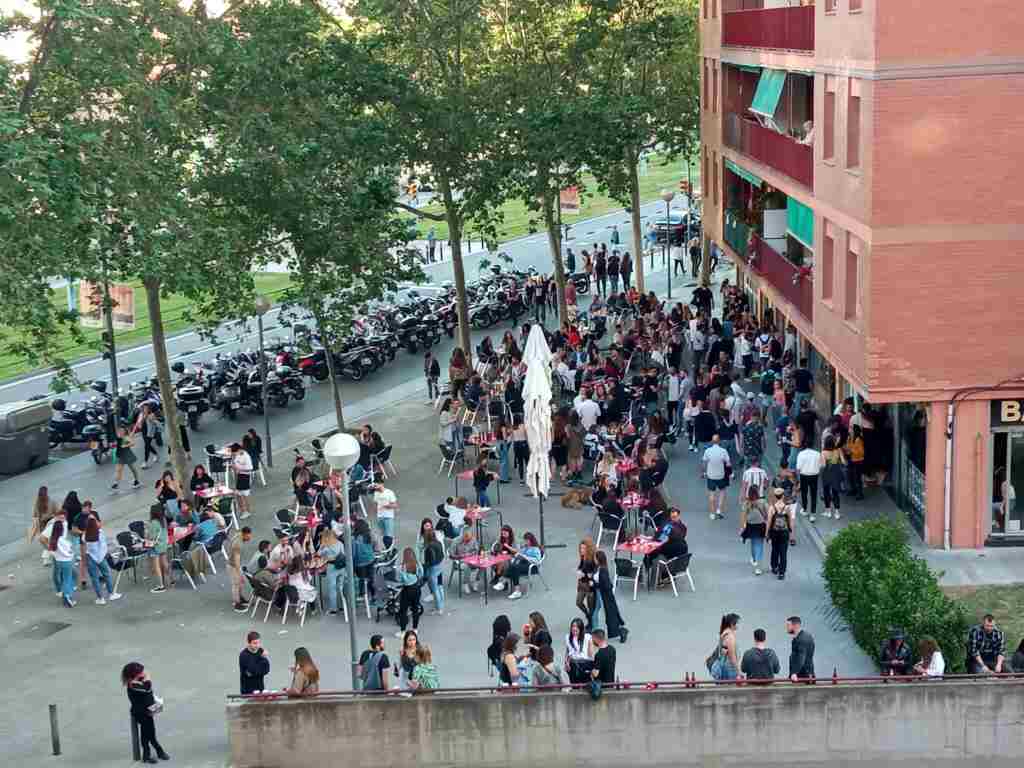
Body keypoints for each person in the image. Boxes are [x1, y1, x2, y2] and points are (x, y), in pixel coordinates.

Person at [122, 662, 168, 764]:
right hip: (141, 713)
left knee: (148, 733)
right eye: (141, 671)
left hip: (147, 710)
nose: (144, 672)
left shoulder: (137, 681)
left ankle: (149, 754)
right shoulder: (133, 685)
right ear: (135, 674)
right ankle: (157, 751)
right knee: (149, 734)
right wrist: (147, 678)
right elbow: (147, 688)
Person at [84, 517, 121, 605]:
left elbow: (85, 544)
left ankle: (100, 598)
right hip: (100, 557)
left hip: (90, 557)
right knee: (107, 574)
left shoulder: (85, 535)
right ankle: (111, 593)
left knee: (94, 579)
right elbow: (103, 547)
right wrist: (100, 558)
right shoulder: (100, 533)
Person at [593, 550, 628, 642]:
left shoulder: (603, 570)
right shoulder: (601, 568)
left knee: (610, 617)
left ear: (598, 559)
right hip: (604, 596)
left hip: (606, 597)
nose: (594, 559)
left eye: (595, 558)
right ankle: (619, 631)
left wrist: (594, 584)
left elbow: (606, 585)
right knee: (610, 616)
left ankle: (621, 632)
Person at [418, 520, 446, 614]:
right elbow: (442, 555)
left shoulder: (428, 548)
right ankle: (442, 604)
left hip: (433, 568)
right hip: (440, 565)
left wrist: (425, 567)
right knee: (439, 586)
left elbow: (429, 562)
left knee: (434, 589)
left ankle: (438, 608)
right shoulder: (438, 542)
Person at [766, 488, 795, 580]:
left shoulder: (772, 507)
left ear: (775, 496)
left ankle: (774, 567)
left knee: (775, 549)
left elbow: (769, 522)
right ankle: (782, 572)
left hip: (774, 532)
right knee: (783, 552)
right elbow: (790, 521)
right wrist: (791, 534)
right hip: (784, 532)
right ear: (783, 496)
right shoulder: (787, 508)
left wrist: (767, 533)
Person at [505, 531, 542, 601]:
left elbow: (537, 560)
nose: (525, 542)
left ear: (531, 540)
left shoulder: (535, 549)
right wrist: (517, 555)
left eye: (526, 540)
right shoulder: (525, 547)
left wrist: (525, 557)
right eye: (525, 540)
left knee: (514, 568)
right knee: (513, 566)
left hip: (532, 567)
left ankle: (510, 586)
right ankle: (508, 584)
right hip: (524, 565)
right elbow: (519, 553)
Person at [739, 487, 768, 576]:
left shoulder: (746, 503)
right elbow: (767, 515)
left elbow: (743, 516)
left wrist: (742, 528)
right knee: (759, 546)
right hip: (761, 526)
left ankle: (754, 558)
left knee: (753, 543)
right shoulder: (763, 502)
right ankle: (758, 567)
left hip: (750, 526)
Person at [396, 547, 424, 638]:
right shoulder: (417, 563)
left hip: (407, 590)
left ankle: (403, 631)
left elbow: (401, 579)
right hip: (416, 588)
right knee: (415, 609)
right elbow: (421, 574)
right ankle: (415, 629)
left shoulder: (403, 566)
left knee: (403, 611)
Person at [702, 435, 732, 520]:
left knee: (712, 494)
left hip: (710, 475)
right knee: (722, 492)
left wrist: (703, 472)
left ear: (712, 441)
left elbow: (704, 463)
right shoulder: (723, 451)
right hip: (721, 475)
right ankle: (719, 510)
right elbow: (728, 463)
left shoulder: (707, 451)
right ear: (719, 441)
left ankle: (712, 513)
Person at [50, 518, 76, 606]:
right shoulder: (62, 540)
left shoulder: (53, 539)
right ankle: (67, 596)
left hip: (58, 561)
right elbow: (70, 550)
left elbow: (52, 551)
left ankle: (65, 596)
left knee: (64, 578)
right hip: (67, 561)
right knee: (67, 580)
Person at [145, 504, 171, 594]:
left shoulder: (153, 523)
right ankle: (170, 580)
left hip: (155, 547)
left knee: (157, 567)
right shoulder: (163, 520)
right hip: (163, 544)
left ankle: (161, 586)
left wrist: (146, 532)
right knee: (165, 563)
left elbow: (151, 536)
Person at [795, 439, 822, 523]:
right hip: (814, 476)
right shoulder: (817, 454)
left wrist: (798, 479)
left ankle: (805, 509)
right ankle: (813, 515)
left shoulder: (801, 454)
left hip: (804, 476)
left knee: (804, 493)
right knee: (813, 495)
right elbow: (820, 465)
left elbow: (798, 468)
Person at [820, 435, 846, 520]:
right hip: (836, 473)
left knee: (826, 493)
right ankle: (837, 513)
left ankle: (828, 512)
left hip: (827, 474)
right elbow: (843, 462)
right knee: (835, 493)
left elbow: (823, 465)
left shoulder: (823, 452)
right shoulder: (838, 450)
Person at [227, 525, 252, 612]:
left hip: (234, 564)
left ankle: (240, 597)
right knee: (236, 584)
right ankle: (236, 603)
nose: (249, 539)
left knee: (240, 584)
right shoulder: (238, 544)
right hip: (233, 566)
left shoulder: (238, 534)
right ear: (244, 534)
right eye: (248, 537)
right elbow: (236, 560)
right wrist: (239, 573)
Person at [575, 537, 598, 629]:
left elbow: (595, 573)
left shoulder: (593, 560)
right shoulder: (583, 557)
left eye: (584, 548)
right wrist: (579, 571)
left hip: (590, 587)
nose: (582, 550)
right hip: (582, 584)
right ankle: (588, 616)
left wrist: (589, 575)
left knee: (591, 606)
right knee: (578, 602)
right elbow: (581, 567)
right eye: (581, 548)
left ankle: (591, 622)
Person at [711, 613, 741, 680]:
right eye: (737, 623)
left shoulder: (724, 633)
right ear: (732, 624)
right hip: (730, 670)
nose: (738, 625)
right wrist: (739, 672)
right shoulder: (729, 636)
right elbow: (732, 656)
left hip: (724, 668)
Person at [111, 425, 141, 490]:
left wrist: (125, 445)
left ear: (124, 431)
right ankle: (116, 484)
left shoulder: (126, 437)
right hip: (120, 455)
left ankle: (137, 481)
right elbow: (116, 444)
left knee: (132, 468)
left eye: (122, 431)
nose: (121, 431)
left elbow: (133, 443)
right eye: (120, 430)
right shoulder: (118, 437)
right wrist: (114, 445)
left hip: (127, 454)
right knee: (119, 470)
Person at [565, 617, 594, 683]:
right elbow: (567, 651)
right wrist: (566, 662)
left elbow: (591, 654)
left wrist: (590, 643)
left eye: (576, 627)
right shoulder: (567, 637)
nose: (574, 628)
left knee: (586, 685)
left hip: (585, 663)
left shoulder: (587, 636)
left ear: (581, 628)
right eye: (573, 626)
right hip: (573, 663)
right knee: (574, 685)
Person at [786, 616, 816, 682]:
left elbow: (801, 658)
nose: (786, 627)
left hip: (803, 677)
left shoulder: (801, 639)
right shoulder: (802, 637)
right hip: (804, 674)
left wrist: (794, 673)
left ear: (795, 626)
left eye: (788, 625)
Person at [230, 443, 253, 519]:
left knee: (245, 495)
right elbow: (236, 463)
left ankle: (247, 512)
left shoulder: (246, 456)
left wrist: (239, 469)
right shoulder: (237, 455)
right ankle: (242, 510)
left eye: (235, 452)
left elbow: (250, 468)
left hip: (245, 476)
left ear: (239, 450)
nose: (235, 454)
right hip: (239, 476)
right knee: (238, 494)